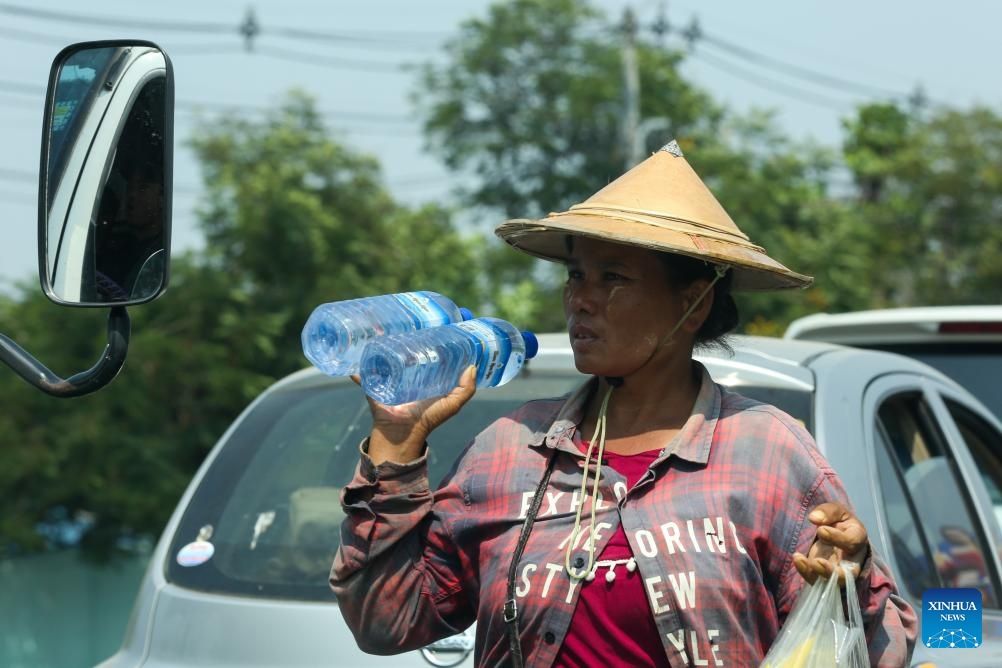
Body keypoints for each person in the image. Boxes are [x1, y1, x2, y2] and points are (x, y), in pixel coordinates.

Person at [330, 140, 917, 666]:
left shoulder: (765, 452)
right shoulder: (509, 451)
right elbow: (387, 623)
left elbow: (876, 650)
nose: (580, 300)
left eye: (613, 278)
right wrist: (396, 444)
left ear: (693, 302)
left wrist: (850, 575)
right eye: (575, 274)